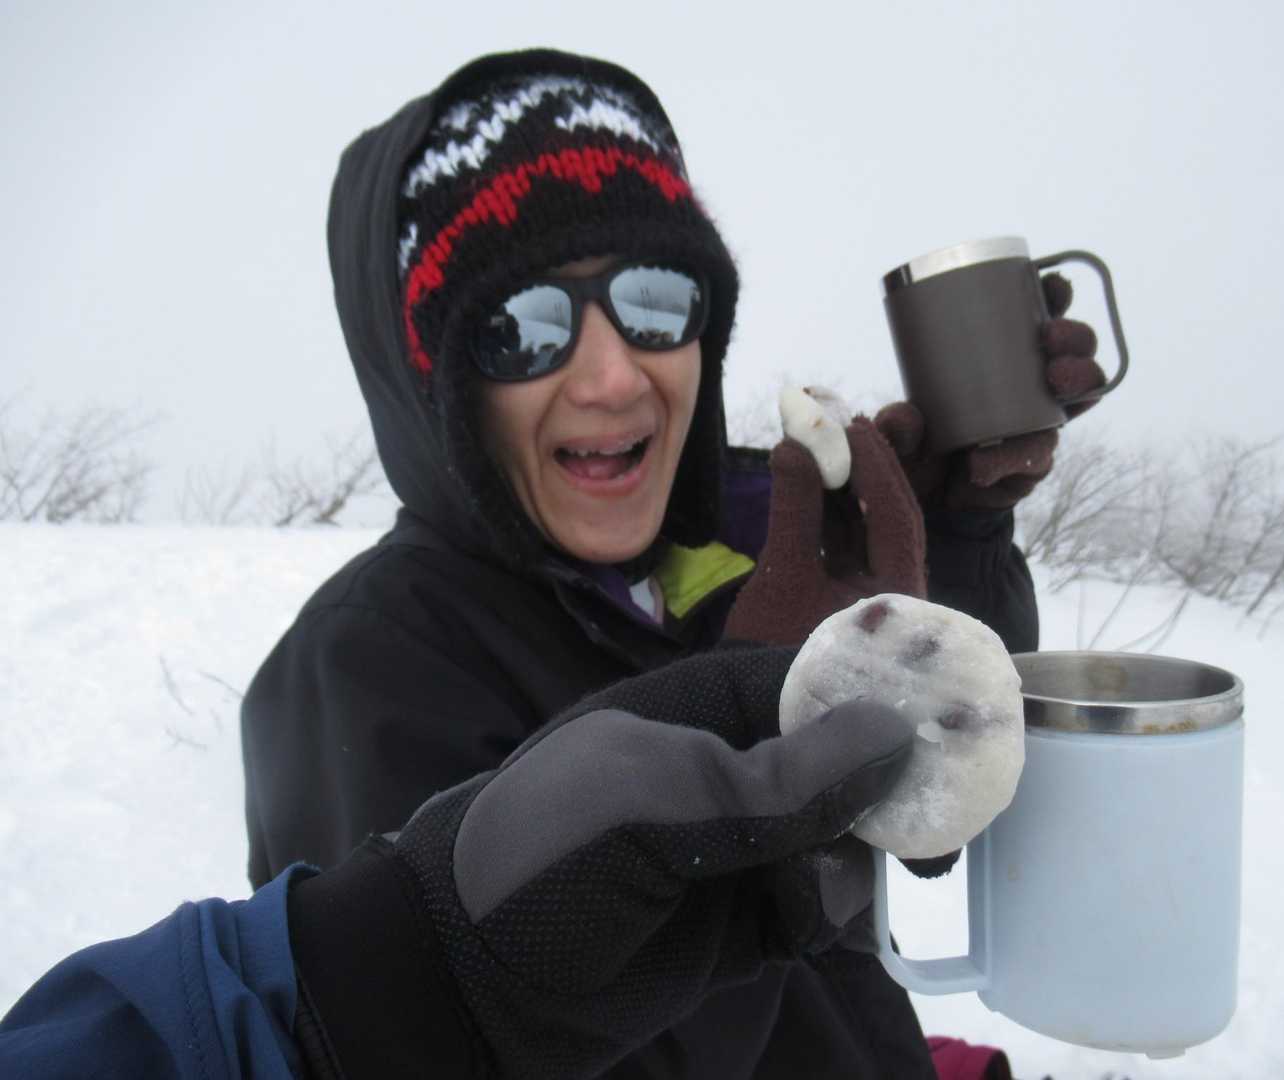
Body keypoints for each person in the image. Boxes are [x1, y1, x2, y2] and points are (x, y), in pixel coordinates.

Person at [3, 48, 1103, 1078]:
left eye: (654, 300)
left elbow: (936, 791)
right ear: (440, 385)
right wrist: (754, 725)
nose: (613, 376)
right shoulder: (366, 669)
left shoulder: (747, 546)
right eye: (524, 327)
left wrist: (957, 545)